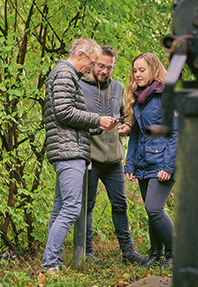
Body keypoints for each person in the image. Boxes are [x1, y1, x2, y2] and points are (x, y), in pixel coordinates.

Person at [41, 38, 117, 273]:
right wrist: (96, 119)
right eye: (93, 62)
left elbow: (67, 116)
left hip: (68, 147)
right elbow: (64, 112)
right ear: (81, 55)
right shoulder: (65, 73)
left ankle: (52, 261)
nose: (92, 68)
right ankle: (50, 264)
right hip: (68, 151)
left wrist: (99, 126)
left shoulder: (65, 74)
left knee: (60, 208)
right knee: (72, 208)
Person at [79, 46, 147, 265]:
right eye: (101, 66)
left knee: (120, 204)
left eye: (110, 67)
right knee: (87, 206)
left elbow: (124, 116)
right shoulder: (78, 86)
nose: (105, 71)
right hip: (90, 157)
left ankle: (128, 252)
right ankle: (87, 253)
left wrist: (127, 127)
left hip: (115, 159)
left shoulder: (118, 87)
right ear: (93, 63)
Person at [124, 53, 177, 269]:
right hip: (144, 163)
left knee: (154, 208)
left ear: (153, 70)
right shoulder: (138, 99)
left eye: (142, 70)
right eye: (135, 70)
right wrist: (129, 164)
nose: (137, 74)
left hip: (164, 162)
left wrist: (168, 166)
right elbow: (136, 135)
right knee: (149, 210)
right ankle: (156, 253)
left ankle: (175, 253)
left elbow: (176, 133)